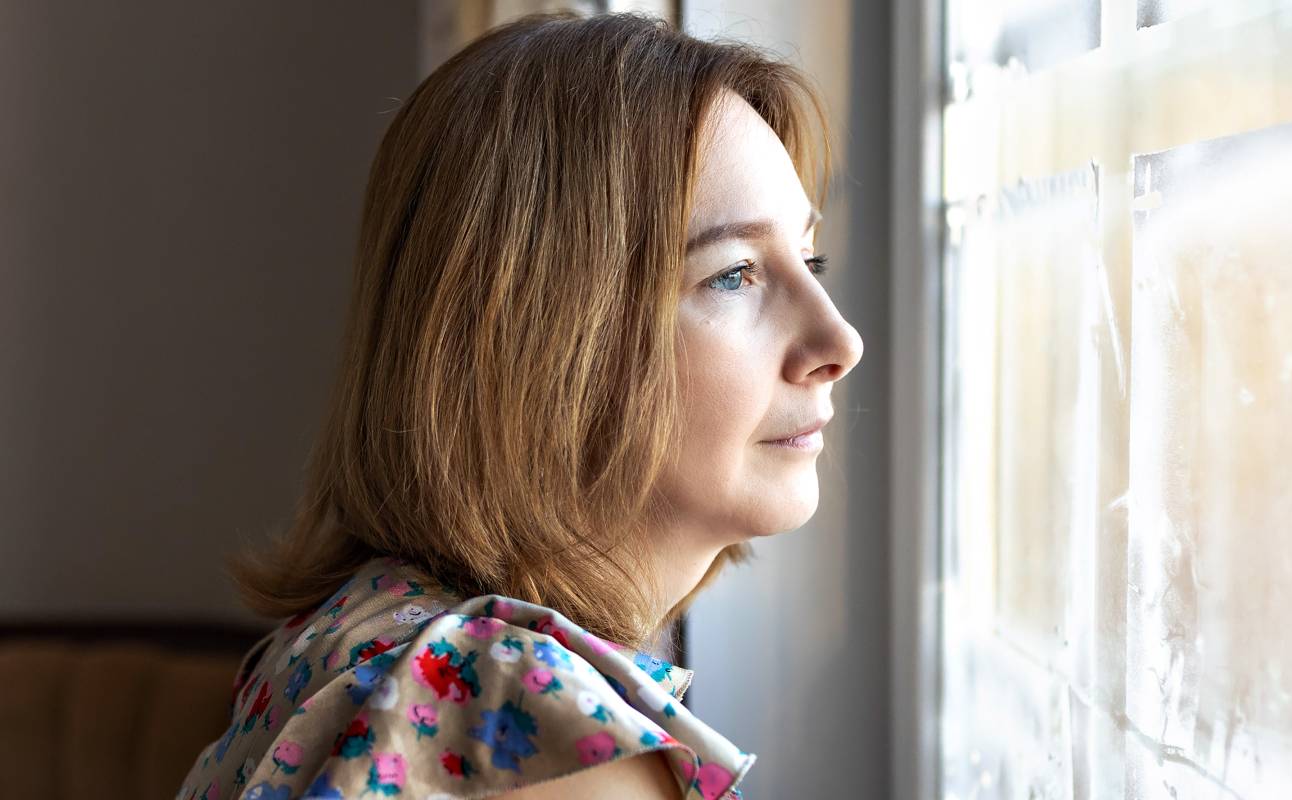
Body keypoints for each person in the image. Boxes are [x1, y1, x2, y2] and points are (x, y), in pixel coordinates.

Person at [176, 10, 861, 799]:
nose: (838, 338)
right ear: (538, 336)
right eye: (733, 274)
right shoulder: (530, 733)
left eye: (812, 257)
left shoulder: (365, 635)